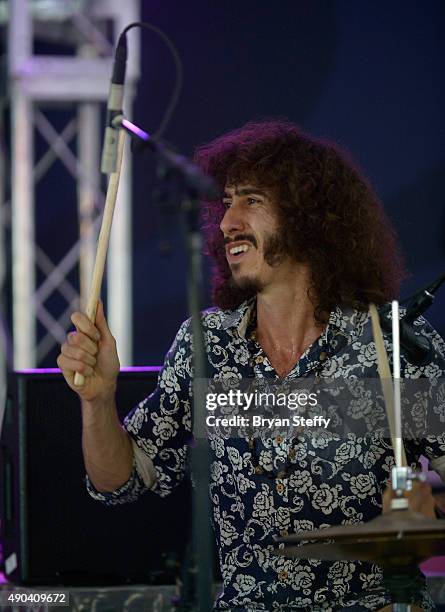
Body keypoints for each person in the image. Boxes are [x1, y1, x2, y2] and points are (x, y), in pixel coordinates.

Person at [58, 120, 445, 611]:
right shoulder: (209, 345)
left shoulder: (391, 346)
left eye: (252, 201)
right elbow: (121, 482)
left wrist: (430, 510)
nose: (226, 222)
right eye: (226, 202)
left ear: (310, 216)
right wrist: (97, 400)